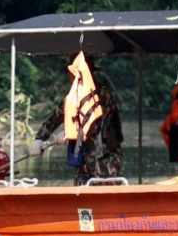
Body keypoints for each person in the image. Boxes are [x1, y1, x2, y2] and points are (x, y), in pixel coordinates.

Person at [35, 52, 123, 186]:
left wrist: (69, 132)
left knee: (103, 192)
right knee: (80, 193)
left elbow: (94, 121)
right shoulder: (74, 95)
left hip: (106, 158)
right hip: (84, 159)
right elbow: (57, 116)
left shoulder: (101, 94)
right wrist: (40, 138)